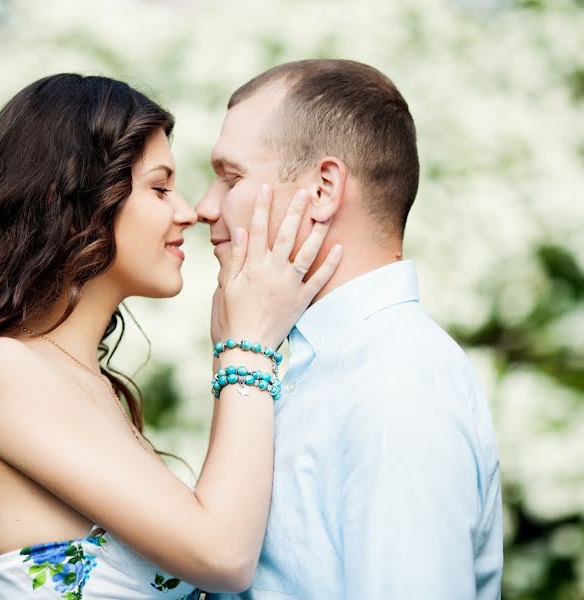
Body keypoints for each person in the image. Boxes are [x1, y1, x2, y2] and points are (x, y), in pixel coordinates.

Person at [0, 73, 343, 599]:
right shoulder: (4, 371)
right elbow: (224, 555)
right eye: (160, 187)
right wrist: (247, 348)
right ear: (69, 199)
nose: (188, 212)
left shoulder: (80, 380)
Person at [197, 59, 504, 599]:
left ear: (322, 189)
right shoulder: (316, 367)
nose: (204, 206)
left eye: (231, 177)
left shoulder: (399, 382)